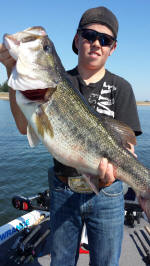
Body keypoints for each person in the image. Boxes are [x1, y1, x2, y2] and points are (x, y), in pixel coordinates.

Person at [0, 5, 146, 266]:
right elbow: (24, 127)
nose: (96, 43)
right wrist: (12, 71)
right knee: (62, 262)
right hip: (62, 190)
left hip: (109, 194)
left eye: (105, 39)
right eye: (89, 35)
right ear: (77, 40)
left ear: (113, 48)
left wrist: (130, 173)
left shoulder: (122, 88)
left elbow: (128, 146)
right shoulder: (59, 81)